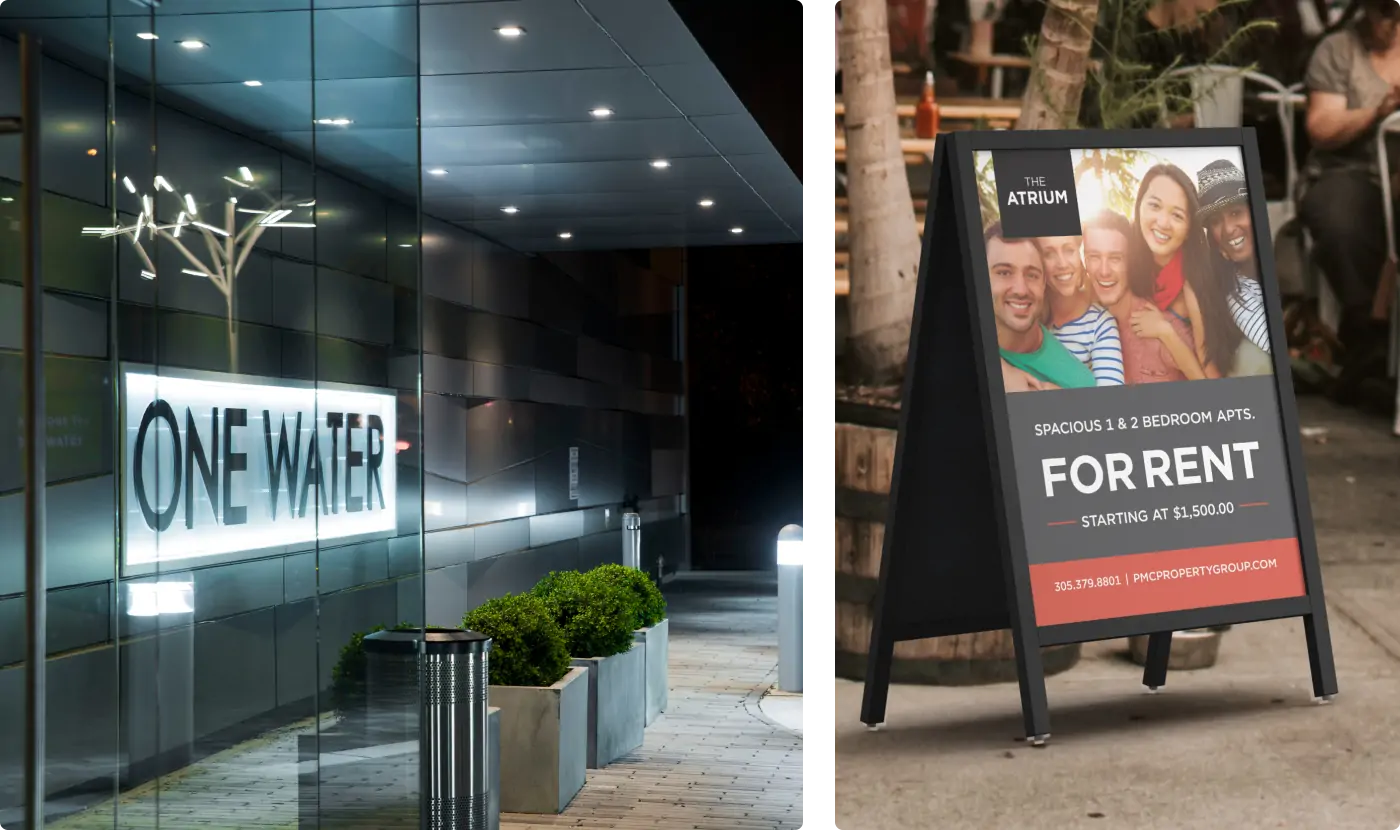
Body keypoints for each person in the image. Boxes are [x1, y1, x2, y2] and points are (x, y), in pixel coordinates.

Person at [1300, 0, 1399, 403]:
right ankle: (1366, 337)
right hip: (1351, 169)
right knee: (1342, 219)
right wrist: (1377, 111)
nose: (1392, 24)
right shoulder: (1339, 50)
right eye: (1384, 12)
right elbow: (1321, 127)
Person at [1128, 164, 1242, 378]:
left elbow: (1212, 385)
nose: (1163, 222)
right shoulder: (1129, 262)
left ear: (1190, 229)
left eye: (1177, 216)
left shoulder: (1194, 283)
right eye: (1154, 205)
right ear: (1139, 206)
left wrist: (1166, 333)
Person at [1083, 209, 1207, 384]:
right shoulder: (1084, 316)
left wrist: (1167, 333)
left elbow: (1209, 389)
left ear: (1130, 262)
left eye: (1115, 258)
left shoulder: (1157, 324)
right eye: (1094, 257)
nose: (1104, 271)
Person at [984, 223, 1097, 392]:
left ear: (1044, 283)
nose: (1021, 290)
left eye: (1032, 275)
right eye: (1004, 272)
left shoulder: (1078, 385)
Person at [1195, 159, 1276, 377]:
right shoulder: (1234, 295)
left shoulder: (1285, 257)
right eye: (1216, 221)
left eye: (1235, 212)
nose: (1229, 229)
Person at [1037, 235, 1126, 386]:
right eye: (1049, 254)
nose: (1062, 264)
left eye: (1069, 250)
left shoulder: (1100, 323)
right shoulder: (1027, 318)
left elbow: (1112, 402)